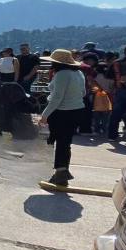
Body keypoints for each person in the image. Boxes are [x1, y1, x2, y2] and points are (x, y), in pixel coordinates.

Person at [38, 50, 86, 187]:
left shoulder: (61, 74)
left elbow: (57, 98)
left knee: (57, 142)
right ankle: (62, 172)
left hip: (62, 112)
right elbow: (83, 93)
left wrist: (44, 115)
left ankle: (60, 173)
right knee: (65, 143)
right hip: (77, 110)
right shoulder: (79, 73)